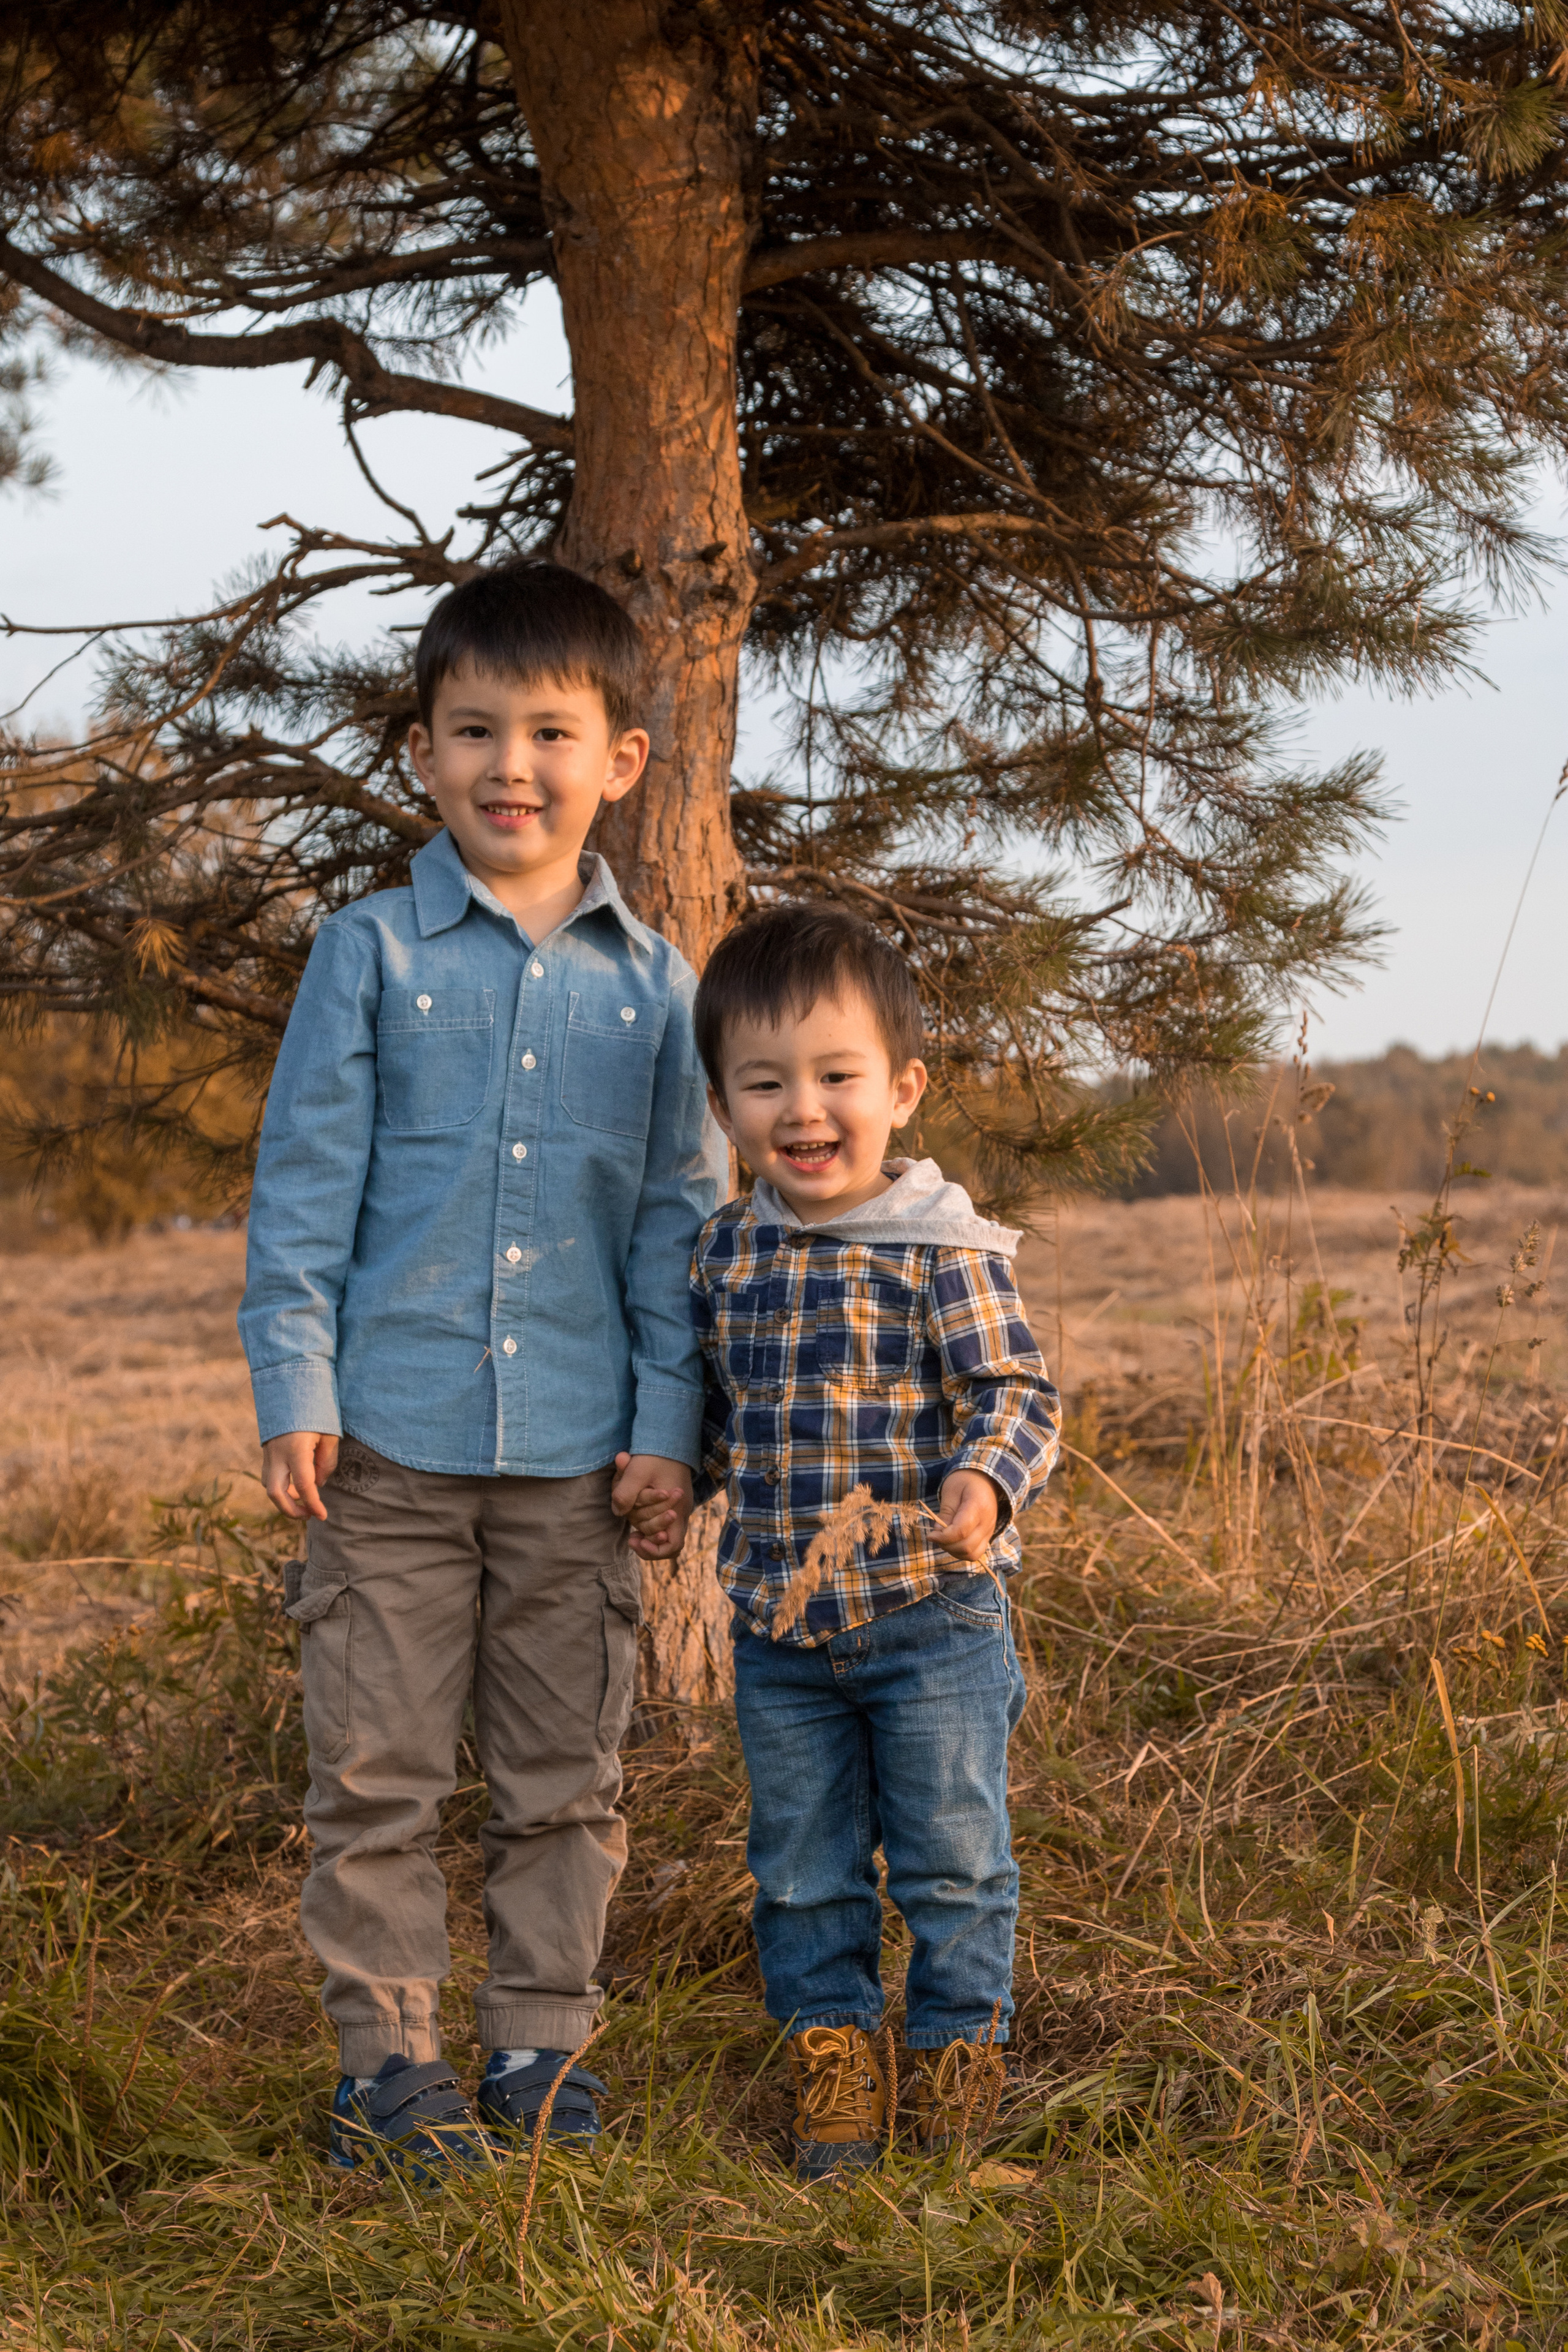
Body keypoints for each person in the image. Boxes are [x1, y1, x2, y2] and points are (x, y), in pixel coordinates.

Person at [239, 559, 723, 2182]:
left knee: (562, 1777)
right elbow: (304, 1188)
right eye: (474, 732)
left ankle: (540, 2052)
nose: (511, 766)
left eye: (549, 733)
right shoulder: (367, 955)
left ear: (622, 762)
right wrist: (295, 1383)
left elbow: (676, 1226)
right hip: (384, 1447)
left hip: (581, 1464)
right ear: (425, 757)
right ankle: (389, 2073)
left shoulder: (659, 993)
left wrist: (671, 1431)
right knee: (374, 1769)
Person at [649, 903, 1060, 2180]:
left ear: (901, 1089)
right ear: (724, 1108)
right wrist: (675, 1476)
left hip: (931, 1621)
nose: (803, 1110)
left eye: (835, 1078)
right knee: (801, 1869)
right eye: (764, 1084)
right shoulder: (725, 1251)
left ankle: (953, 2060)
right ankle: (833, 2065)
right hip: (777, 1631)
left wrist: (982, 1487)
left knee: (950, 1857)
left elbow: (1016, 1393)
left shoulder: (942, 1248)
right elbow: (721, 1407)